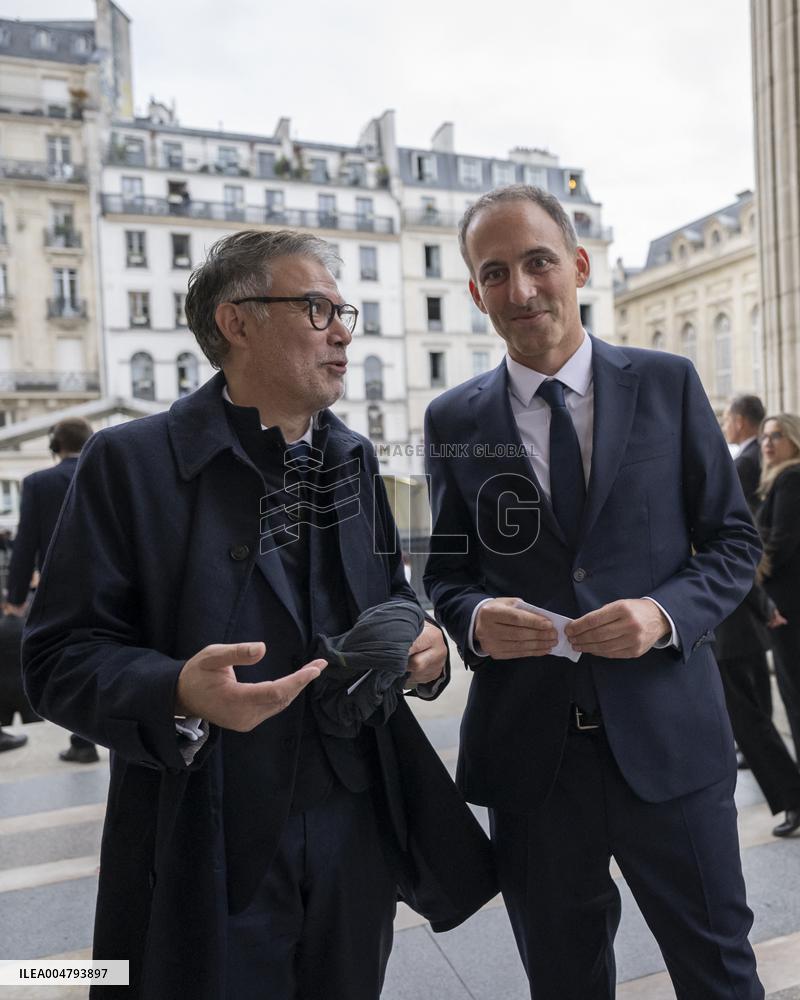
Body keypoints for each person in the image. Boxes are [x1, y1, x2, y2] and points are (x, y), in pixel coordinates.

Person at [22, 230, 495, 1000]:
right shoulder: (129, 464)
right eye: (317, 308)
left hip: (354, 827)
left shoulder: (353, 457)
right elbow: (54, 662)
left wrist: (427, 642)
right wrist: (177, 688)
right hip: (204, 837)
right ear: (236, 321)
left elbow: (394, 594)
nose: (343, 329)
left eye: (345, 310)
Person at [424, 185, 764, 999]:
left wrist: (662, 613)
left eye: (539, 262)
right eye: (496, 273)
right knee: (564, 982)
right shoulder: (453, 420)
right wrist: (474, 621)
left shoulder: (668, 383)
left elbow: (733, 542)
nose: (522, 289)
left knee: (719, 971)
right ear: (475, 292)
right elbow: (445, 573)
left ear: (577, 265)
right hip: (534, 763)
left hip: (670, 745)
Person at [4, 417, 96, 762]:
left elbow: (25, 546)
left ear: (55, 447)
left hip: (64, 588)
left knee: (73, 659)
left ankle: (83, 740)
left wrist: (14, 598)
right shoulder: (109, 473)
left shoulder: (39, 483)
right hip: (120, 583)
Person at [756, 413, 800, 813]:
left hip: (789, 609)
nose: (768, 444)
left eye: (777, 436)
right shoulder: (778, 479)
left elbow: (780, 542)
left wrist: (742, 568)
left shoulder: (791, 478)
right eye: (765, 436)